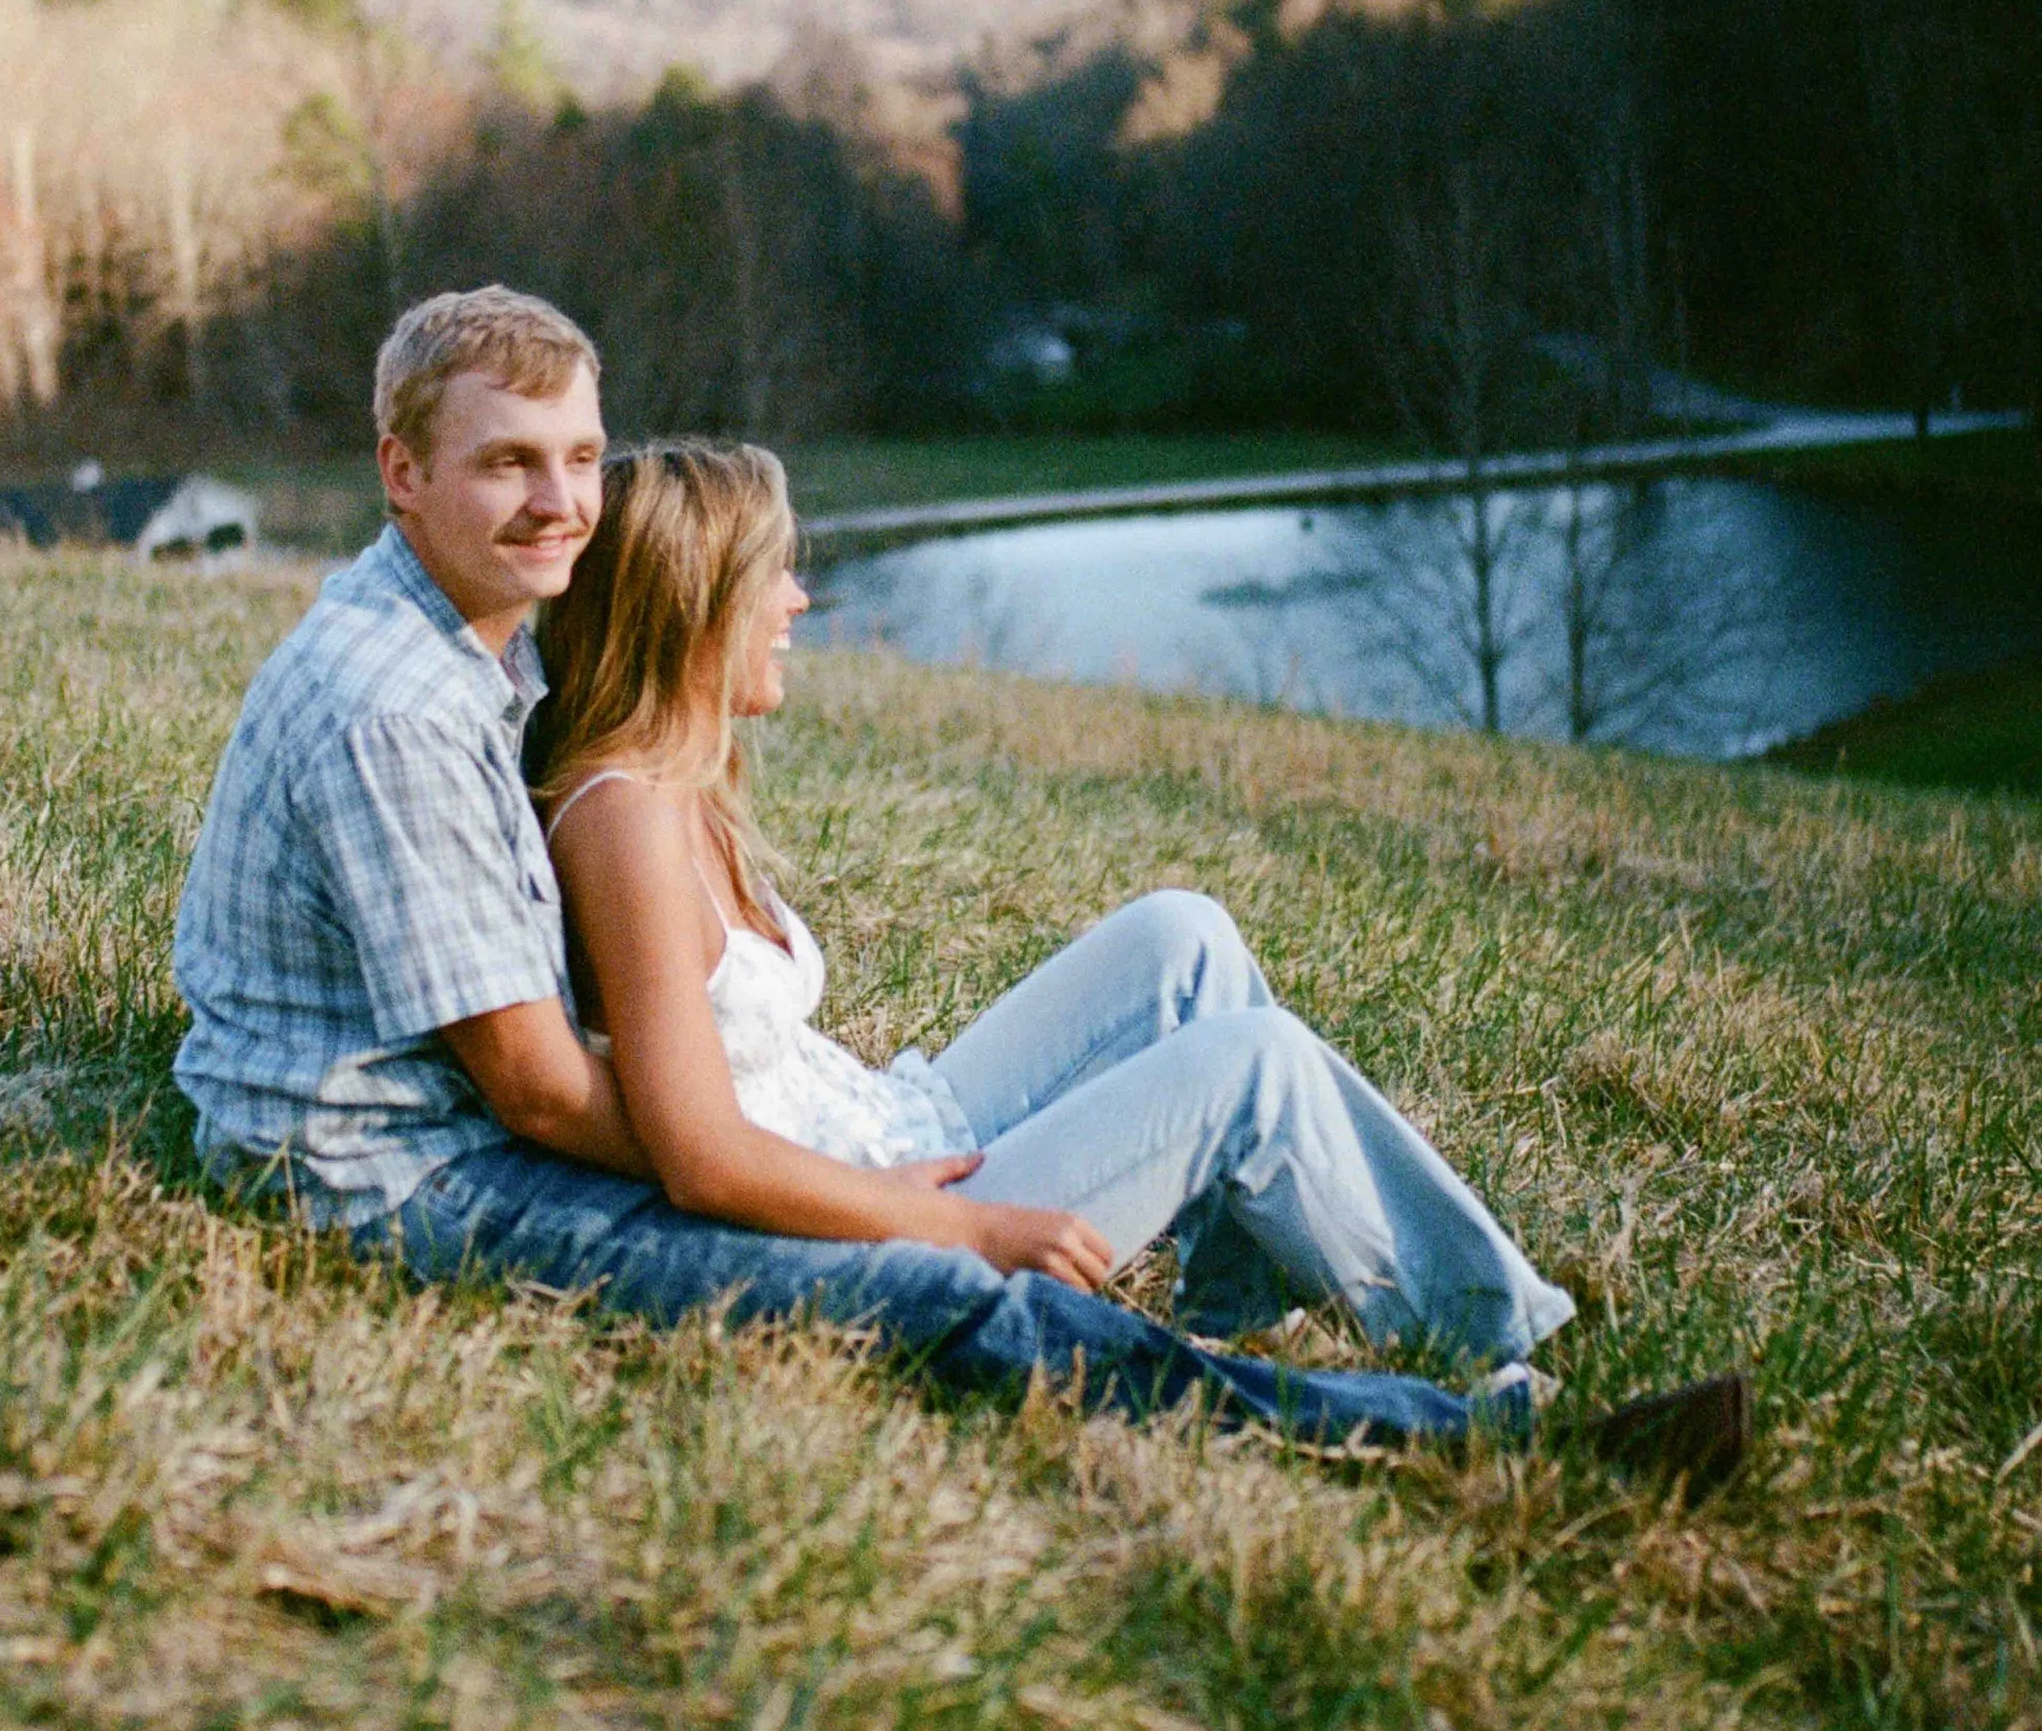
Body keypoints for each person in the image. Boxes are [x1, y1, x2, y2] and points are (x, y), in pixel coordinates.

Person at [173, 286, 1749, 1488]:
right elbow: (533, 1088)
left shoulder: (478, 662)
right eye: (507, 463)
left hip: (690, 1120)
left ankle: (1292, 1276)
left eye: (580, 457)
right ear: (401, 471)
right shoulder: (404, 704)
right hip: (401, 1182)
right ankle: (1466, 1430)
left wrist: (790, 1144)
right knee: (946, 1299)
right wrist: (871, 1204)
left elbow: (604, 1049)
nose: (561, 501)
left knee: (1182, 949)